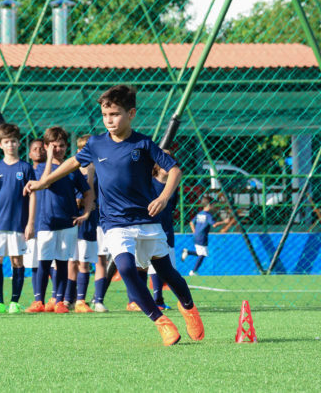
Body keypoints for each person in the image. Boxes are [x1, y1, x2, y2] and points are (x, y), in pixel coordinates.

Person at [25, 85, 204, 346]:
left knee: (166, 271)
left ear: (131, 113)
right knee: (126, 268)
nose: (109, 120)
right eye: (105, 115)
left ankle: (188, 307)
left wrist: (164, 197)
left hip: (146, 219)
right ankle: (161, 322)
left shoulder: (143, 143)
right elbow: (72, 163)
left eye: (115, 114)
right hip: (115, 223)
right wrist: (44, 182)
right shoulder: (96, 144)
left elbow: (174, 170)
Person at [25, 127, 93, 314]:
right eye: (53, 146)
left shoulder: (73, 169)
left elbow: (87, 192)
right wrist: (48, 158)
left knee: (62, 261)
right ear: (46, 147)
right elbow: (45, 181)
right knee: (44, 262)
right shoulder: (38, 168)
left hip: (68, 222)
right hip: (46, 222)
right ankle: (38, 300)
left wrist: (86, 212)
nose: (58, 150)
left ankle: (60, 300)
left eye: (62, 146)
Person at [0, 123, 36, 314]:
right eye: (6, 142)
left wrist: (30, 223)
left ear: (19, 143)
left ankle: (14, 302)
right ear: (0, 145)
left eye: (13, 141)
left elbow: (33, 197)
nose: (10, 145)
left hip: (18, 224)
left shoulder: (26, 168)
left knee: (17, 261)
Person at [64, 134, 99, 313]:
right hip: (71, 220)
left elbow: (92, 197)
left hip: (89, 221)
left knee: (84, 262)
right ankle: (67, 300)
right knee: (71, 261)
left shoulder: (98, 170)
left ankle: (81, 301)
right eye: (82, 149)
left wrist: (91, 174)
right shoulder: (71, 170)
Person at [148, 153, 179, 310]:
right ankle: (156, 298)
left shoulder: (173, 187)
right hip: (151, 229)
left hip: (167, 230)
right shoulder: (149, 184)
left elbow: (172, 207)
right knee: (153, 265)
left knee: (170, 267)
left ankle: (175, 299)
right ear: (157, 165)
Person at [20, 139, 46, 299]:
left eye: (42, 148)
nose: (39, 151)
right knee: (35, 263)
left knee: (53, 263)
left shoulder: (51, 170)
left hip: (50, 222)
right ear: (30, 154)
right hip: (32, 223)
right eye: (35, 149)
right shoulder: (25, 171)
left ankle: (59, 298)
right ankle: (38, 299)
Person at [182, 195, 229, 275]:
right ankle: (193, 271)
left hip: (196, 236)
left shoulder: (199, 214)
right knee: (203, 254)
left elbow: (191, 223)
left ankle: (188, 252)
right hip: (202, 236)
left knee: (200, 252)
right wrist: (224, 222)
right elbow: (214, 225)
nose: (214, 206)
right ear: (209, 205)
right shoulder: (208, 215)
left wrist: (195, 231)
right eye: (213, 204)